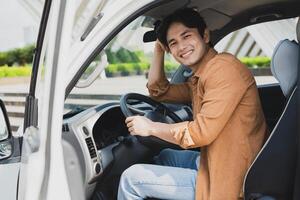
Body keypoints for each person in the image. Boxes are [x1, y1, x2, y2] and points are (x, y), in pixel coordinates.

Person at [118, 8, 267, 200]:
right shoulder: (201, 77)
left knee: (131, 179)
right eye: (173, 43)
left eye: (186, 36)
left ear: (205, 35)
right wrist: (158, 48)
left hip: (230, 179)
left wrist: (151, 127)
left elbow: (200, 133)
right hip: (218, 161)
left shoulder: (223, 70)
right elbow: (158, 91)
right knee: (165, 157)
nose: (181, 46)